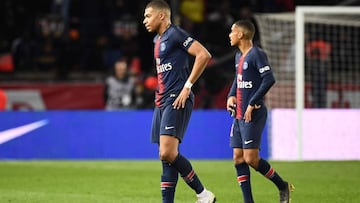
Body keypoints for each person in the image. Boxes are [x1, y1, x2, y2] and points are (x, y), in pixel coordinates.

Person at [143, 1, 216, 202]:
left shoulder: (175, 34)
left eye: (148, 16)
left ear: (161, 16)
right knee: (166, 156)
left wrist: (187, 86)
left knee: (167, 152)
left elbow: (203, 55)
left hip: (177, 97)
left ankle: (204, 194)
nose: (144, 21)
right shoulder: (157, 40)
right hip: (161, 101)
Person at [226, 20, 294, 203]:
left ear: (241, 34)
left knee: (251, 159)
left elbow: (269, 79)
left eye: (232, 31)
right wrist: (231, 95)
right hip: (239, 114)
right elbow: (238, 79)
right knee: (238, 158)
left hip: (253, 113)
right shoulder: (238, 56)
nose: (229, 34)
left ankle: (282, 185)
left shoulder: (257, 54)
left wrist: (253, 102)